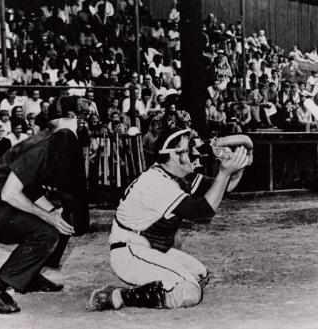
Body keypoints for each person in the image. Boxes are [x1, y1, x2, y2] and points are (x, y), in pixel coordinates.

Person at [87, 125, 251, 312]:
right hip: (129, 252)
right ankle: (118, 296)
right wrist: (224, 172)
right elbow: (202, 213)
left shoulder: (174, 173)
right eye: (189, 148)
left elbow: (222, 187)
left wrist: (238, 167)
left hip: (151, 247)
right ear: (174, 154)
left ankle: (156, 285)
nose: (196, 152)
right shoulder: (156, 182)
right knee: (189, 292)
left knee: (199, 275)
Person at [0, 118, 89, 314]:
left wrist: (53, 213)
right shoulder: (41, 149)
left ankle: (29, 276)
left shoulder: (51, 145)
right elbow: (10, 193)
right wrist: (49, 217)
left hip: (3, 203)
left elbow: (31, 190)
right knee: (47, 232)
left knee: (62, 222)